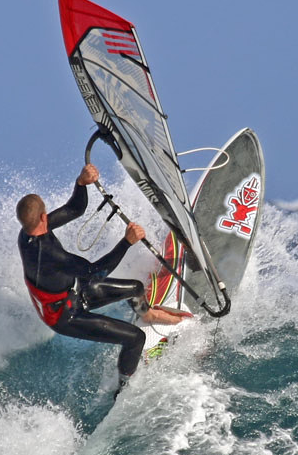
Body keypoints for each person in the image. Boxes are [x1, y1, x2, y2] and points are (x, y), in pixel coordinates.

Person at [17, 163, 186, 388]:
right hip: (65, 317)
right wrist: (127, 242)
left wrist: (81, 183)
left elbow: (74, 209)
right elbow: (96, 273)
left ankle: (149, 315)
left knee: (136, 288)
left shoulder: (28, 231)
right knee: (136, 338)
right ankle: (124, 385)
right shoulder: (49, 255)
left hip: (73, 293)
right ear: (43, 216)